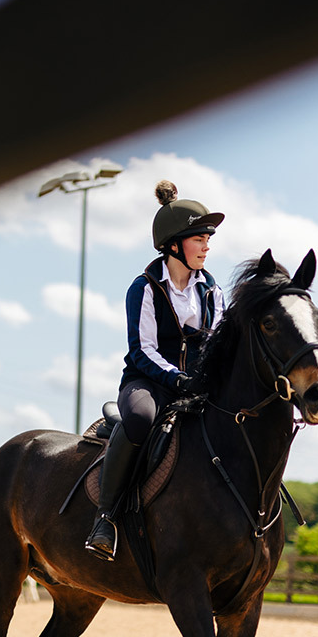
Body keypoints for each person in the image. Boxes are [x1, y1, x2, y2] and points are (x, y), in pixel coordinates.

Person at [85, 179, 226, 560]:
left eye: (208, 239)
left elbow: (217, 346)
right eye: (200, 238)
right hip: (147, 383)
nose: (207, 246)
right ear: (174, 244)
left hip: (195, 386)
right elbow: (142, 350)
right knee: (141, 420)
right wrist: (179, 379)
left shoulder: (212, 291)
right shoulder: (144, 287)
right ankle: (106, 518)